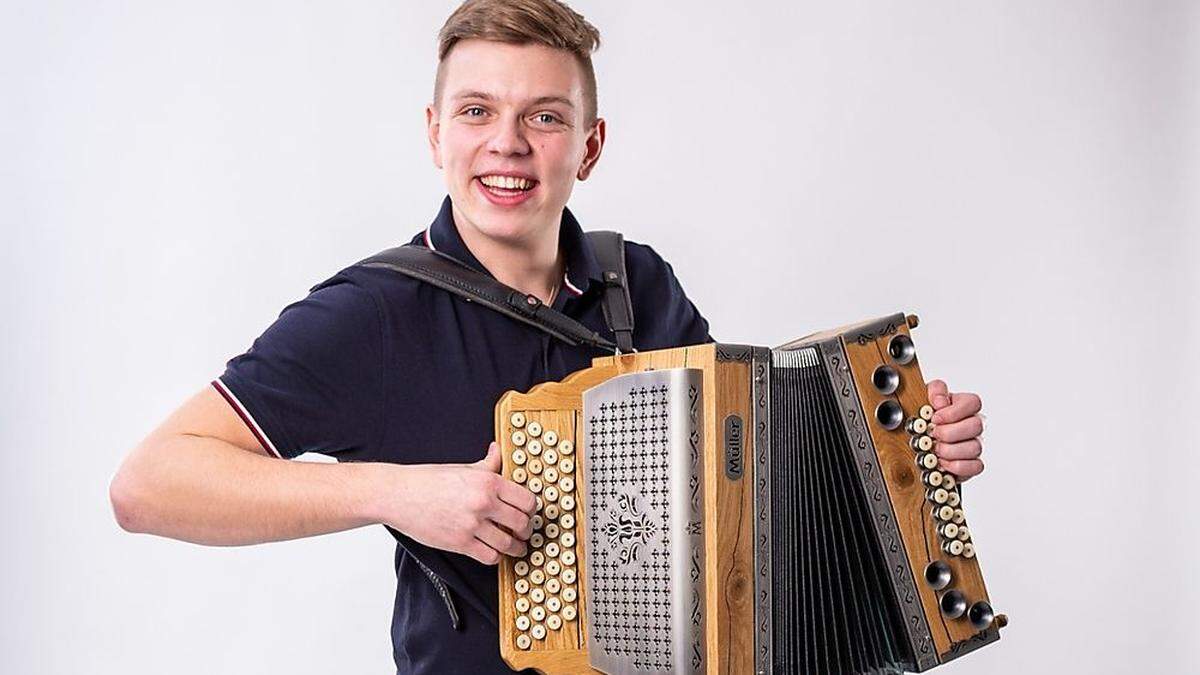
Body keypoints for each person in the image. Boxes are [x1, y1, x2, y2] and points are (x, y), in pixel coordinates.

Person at [108, 1, 988, 672]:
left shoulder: (636, 280)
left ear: (589, 145)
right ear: (435, 132)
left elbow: (750, 485)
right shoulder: (372, 315)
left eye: (545, 116)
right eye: (477, 111)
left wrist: (894, 449)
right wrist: (396, 493)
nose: (509, 144)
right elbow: (148, 485)